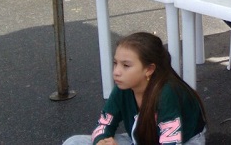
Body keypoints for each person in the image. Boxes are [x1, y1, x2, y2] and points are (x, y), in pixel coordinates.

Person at [62, 32, 206, 145]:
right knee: (73, 142)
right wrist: (101, 141)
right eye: (115, 63)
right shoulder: (123, 87)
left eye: (126, 65)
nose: (117, 71)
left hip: (184, 141)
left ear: (149, 69)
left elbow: (171, 142)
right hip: (140, 139)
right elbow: (104, 124)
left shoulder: (167, 93)